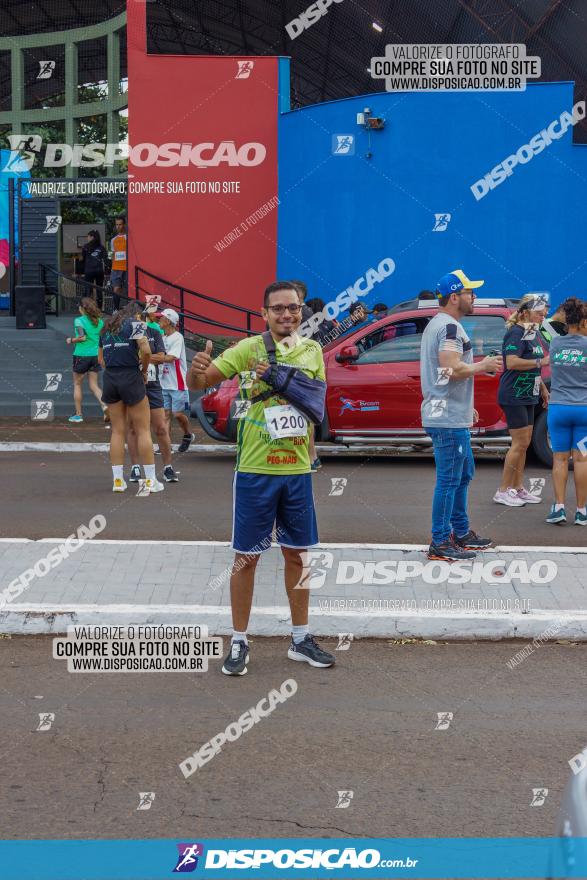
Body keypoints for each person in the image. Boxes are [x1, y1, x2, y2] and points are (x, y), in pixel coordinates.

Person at [188, 280, 335, 676]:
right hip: (255, 470)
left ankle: (301, 638)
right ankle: (238, 641)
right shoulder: (247, 349)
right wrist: (196, 371)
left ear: (302, 310)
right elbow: (201, 383)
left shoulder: (312, 351)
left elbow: (316, 405)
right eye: (278, 309)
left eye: (293, 307)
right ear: (265, 313)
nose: (287, 315)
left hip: (297, 471)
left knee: (299, 555)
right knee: (246, 559)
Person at [420, 269, 503, 561]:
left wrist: (466, 406)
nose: (474, 297)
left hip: (452, 414)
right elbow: (450, 367)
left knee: (462, 473)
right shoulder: (450, 328)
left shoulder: (443, 324)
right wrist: (484, 365)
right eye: (470, 292)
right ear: (454, 296)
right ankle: (440, 541)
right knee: (449, 479)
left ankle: (461, 532)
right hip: (447, 419)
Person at [98, 302, 163, 494]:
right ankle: (150, 481)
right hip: (131, 376)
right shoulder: (136, 324)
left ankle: (118, 481)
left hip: (110, 378)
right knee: (143, 430)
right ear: (136, 314)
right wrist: (143, 370)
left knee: (117, 431)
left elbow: (100, 359)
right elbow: (147, 351)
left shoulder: (106, 326)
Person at [494, 294, 550, 506]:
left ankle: (517, 488)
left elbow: (532, 365)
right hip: (514, 394)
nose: (543, 316)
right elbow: (513, 362)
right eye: (539, 312)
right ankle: (502, 491)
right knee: (518, 444)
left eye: (544, 312)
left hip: (529, 393)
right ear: (525, 312)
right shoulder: (516, 332)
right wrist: (542, 360)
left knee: (524, 444)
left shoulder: (531, 332)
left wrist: (543, 388)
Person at [545, 297, 587, 526]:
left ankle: (559, 507)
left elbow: (547, 325)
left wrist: (564, 313)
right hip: (584, 411)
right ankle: (581, 511)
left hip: (558, 409)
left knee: (559, 459)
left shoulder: (555, 344)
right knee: (582, 460)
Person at [126, 304, 179, 484]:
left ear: (142, 317)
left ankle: (168, 467)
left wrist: (143, 358)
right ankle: (135, 467)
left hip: (153, 383)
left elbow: (162, 356)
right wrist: (148, 357)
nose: (135, 321)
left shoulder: (153, 331)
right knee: (134, 428)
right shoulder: (125, 332)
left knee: (161, 428)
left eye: (137, 318)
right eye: (132, 318)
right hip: (133, 382)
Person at [156, 308, 194, 453]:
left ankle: (187, 435)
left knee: (177, 414)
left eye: (161, 318)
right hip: (164, 382)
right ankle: (166, 445)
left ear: (168, 321)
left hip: (178, 383)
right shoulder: (163, 337)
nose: (159, 320)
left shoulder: (177, 337)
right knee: (165, 414)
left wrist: (154, 358)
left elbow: (172, 357)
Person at [65, 297, 108, 424]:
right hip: (95, 356)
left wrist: (70, 340)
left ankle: (78, 415)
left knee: (77, 384)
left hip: (81, 355)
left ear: (83, 309)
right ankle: (105, 406)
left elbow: (82, 338)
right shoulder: (100, 321)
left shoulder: (79, 320)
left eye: (79, 306)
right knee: (94, 385)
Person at [80, 230, 108, 309]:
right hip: (99, 271)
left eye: (88, 237)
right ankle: (99, 309)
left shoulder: (85, 247)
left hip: (89, 271)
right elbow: (106, 260)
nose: (87, 238)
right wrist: (106, 271)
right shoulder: (101, 247)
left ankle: (88, 309)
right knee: (99, 290)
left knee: (88, 290)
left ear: (92, 237)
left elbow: (82, 260)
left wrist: (82, 271)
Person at [110, 216, 127, 312]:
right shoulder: (113, 240)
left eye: (120, 224)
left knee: (127, 290)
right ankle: (115, 310)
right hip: (116, 268)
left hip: (126, 268)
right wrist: (112, 267)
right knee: (116, 289)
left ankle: (129, 310)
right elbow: (113, 254)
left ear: (124, 225)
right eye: (116, 225)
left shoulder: (128, 238)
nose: (118, 226)